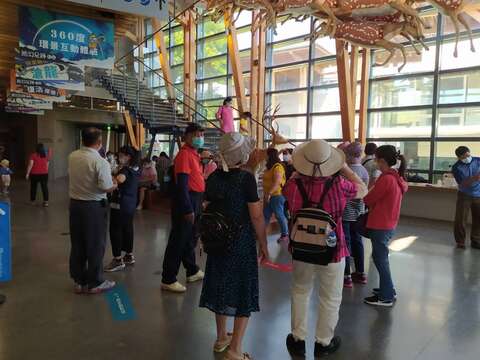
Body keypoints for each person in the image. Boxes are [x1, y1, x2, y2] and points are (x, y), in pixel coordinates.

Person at [284, 139, 367, 358]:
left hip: (301, 249)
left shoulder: (293, 186)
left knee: (300, 291)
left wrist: (296, 174)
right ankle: (323, 342)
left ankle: (297, 338)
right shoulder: (339, 185)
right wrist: (345, 168)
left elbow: (287, 197)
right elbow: (363, 189)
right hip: (333, 249)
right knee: (330, 297)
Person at [199, 132, 269, 360]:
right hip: (240, 243)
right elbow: (257, 217)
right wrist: (264, 245)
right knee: (242, 292)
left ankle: (221, 338)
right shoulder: (246, 179)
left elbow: (208, 207)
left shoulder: (213, 177)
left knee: (220, 286)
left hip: (217, 242)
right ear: (243, 154)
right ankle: (235, 350)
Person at [68, 127, 117, 294]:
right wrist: (115, 185)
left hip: (75, 206)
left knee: (78, 244)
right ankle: (95, 282)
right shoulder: (100, 162)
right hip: (93, 208)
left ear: (83, 140)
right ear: (99, 142)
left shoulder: (72, 156)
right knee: (95, 245)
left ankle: (79, 281)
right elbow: (105, 187)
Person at [161, 123, 205, 292]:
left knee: (189, 239)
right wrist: (188, 209)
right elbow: (182, 186)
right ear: (186, 137)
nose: (200, 138)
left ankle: (192, 270)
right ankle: (168, 278)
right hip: (187, 200)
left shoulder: (195, 154)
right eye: (196, 134)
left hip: (196, 199)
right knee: (178, 240)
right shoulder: (185, 155)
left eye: (201, 134)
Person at [363, 145, 408, 307]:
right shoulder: (396, 177)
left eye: (376, 159)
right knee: (381, 258)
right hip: (389, 222)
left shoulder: (386, 179)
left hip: (380, 223)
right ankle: (387, 289)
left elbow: (369, 199)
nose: (374, 161)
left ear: (381, 160)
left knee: (380, 259)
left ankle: (386, 296)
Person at [105, 146, 141, 272]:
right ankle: (128, 255)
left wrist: (112, 179)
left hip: (120, 204)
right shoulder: (136, 168)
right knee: (128, 228)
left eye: (121, 156)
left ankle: (117, 259)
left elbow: (119, 179)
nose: (119, 158)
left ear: (128, 157)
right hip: (130, 204)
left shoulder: (125, 170)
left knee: (115, 230)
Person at [341, 142, 370, 288]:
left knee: (345, 242)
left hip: (345, 212)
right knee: (358, 241)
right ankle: (361, 272)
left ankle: (346, 276)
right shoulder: (364, 171)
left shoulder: (344, 172)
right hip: (359, 211)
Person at [451, 146, 480, 249]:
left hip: (478, 195)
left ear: (469, 153)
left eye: (467, 156)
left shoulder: (478, 161)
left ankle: (476, 240)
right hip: (464, 195)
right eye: (463, 157)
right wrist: (475, 178)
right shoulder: (456, 167)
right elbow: (462, 184)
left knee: (478, 219)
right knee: (461, 219)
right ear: (459, 158)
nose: (466, 158)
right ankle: (460, 241)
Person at [262, 148, 288, 243]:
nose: (265, 156)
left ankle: (285, 234)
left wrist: (269, 193)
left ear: (270, 155)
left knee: (279, 215)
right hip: (268, 195)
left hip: (276, 196)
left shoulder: (278, 167)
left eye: (266, 154)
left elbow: (277, 183)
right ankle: (261, 233)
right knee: (266, 215)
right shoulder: (269, 167)